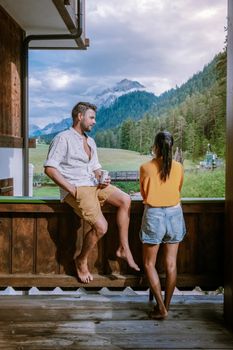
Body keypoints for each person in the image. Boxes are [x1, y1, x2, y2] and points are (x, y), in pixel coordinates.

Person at [44, 101, 140, 284]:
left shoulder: (91, 141)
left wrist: (103, 177)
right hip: (78, 188)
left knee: (125, 199)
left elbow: (95, 168)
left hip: (95, 185)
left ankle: (123, 247)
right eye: (92, 117)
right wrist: (71, 189)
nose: (94, 121)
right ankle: (81, 260)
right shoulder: (62, 138)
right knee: (102, 227)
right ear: (80, 116)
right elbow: (50, 168)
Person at [139, 130, 186, 319]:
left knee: (149, 264)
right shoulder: (179, 167)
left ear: (155, 146)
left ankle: (161, 308)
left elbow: (144, 193)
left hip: (154, 214)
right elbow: (178, 189)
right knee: (171, 264)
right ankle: (167, 305)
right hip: (175, 213)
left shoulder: (145, 167)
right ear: (171, 147)